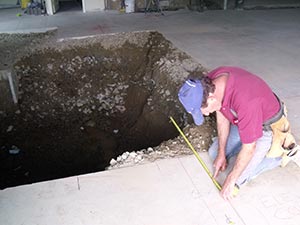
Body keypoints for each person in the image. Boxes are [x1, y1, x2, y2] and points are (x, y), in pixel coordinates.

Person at [178, 66, 299, 201]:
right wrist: (221, 152)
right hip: (244, 118)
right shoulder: (211, 84)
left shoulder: (246, 101)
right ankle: (244, 143)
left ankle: (279, 154)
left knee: (237, 179)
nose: (205, 114)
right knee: (215, 154)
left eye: (203, 110)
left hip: (267, 126)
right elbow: (221, 113)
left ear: (211, 98)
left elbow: (249, 148)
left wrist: (231, 179)